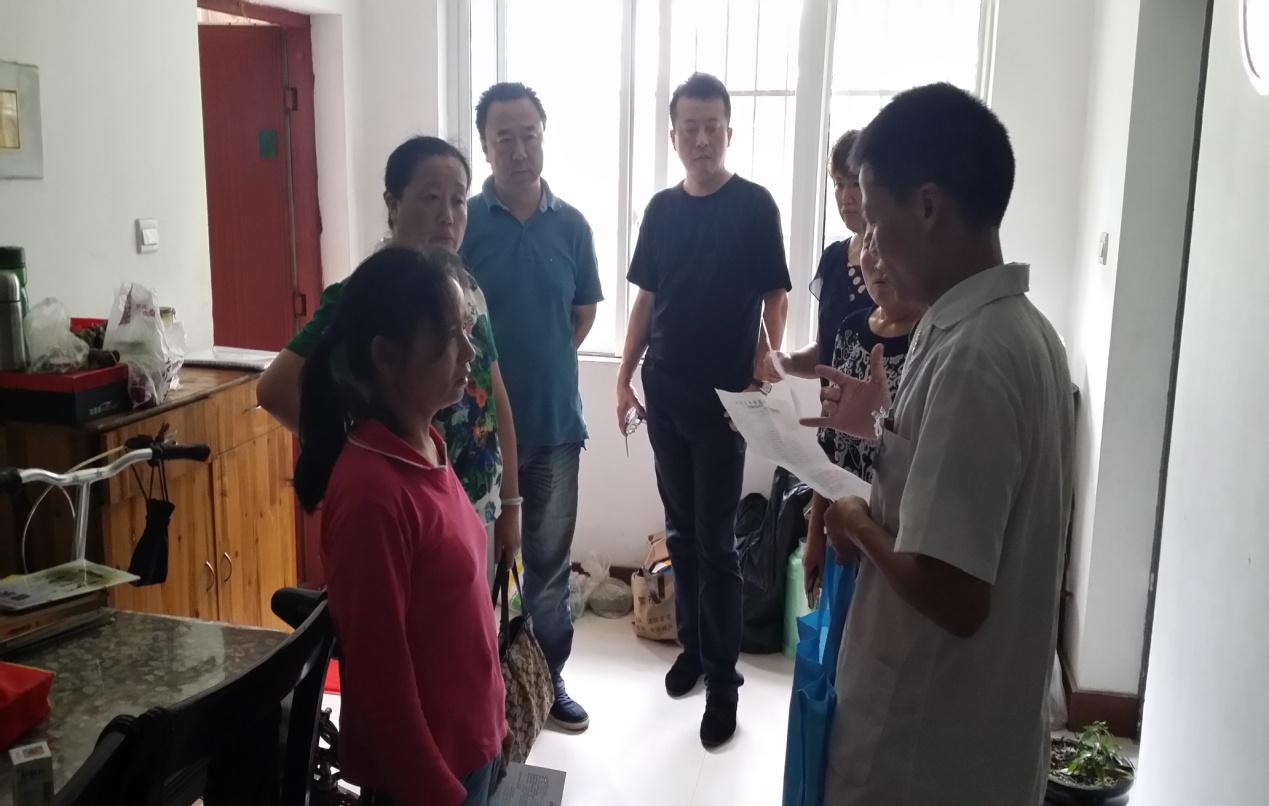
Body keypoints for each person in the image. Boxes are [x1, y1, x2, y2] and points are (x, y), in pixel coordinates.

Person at [801, 83, 1074, 805]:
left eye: (874, 217)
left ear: (927, 207)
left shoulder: (973, 357)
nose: (868, 245)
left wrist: (854, 520)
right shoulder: (1016, 330)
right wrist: (879, 430)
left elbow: (954, 596)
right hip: (969, 735)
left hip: (925, 749)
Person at [294, 247, 505, 806]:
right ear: (386, 356)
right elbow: (381, 684)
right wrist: (440, 791)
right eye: (448, 337)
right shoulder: (372, 494)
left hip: (468, 749)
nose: (469, 351)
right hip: (426, 780)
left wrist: (494, 720)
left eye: (465, 331)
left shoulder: (428, 445)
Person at [257, 136, 521, 584]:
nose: (448, 215)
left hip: (475, 502)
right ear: (393, 205)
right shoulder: (369, 294)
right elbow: (275, 389)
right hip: (411, 514)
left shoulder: (467, 289)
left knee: (473, 619)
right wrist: (356, 455)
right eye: (431, 197)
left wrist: (511, 502)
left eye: (458, 200)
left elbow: (493, 394)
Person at [617, 72, 791, 749]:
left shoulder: (753, 206)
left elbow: (775, 297)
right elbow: (646, 299)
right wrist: (623, 377)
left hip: (725, 407)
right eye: (688, 128)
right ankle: (692, 647)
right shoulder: (662, 210)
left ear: (728, 131)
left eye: (711, 126)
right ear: (673, 136)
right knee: (681, 534)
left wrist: (759, 374)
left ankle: (723, 682)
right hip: (665, 394)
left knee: (717, 544)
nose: (700, 139)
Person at [461, 82, 603, 733]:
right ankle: (478, 686)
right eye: (504, 139)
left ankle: (545, 682)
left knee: (546, 567)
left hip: (553, 428)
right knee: (471, 568)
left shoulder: (572, 226)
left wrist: (540, 361)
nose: (519, 151)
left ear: (544, 137)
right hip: (475, 438)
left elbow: (581, 315)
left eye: (530, 136)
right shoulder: (464, 223)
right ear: (485, 146)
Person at [758, 128, 876, 601]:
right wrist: (786, 360)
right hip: (833, 441)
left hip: (882, 443)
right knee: (831, 583)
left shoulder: (901, 267)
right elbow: (826, 352)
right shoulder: (833, 260)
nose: (846, 198)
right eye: (838, 185)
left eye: (856, 184)